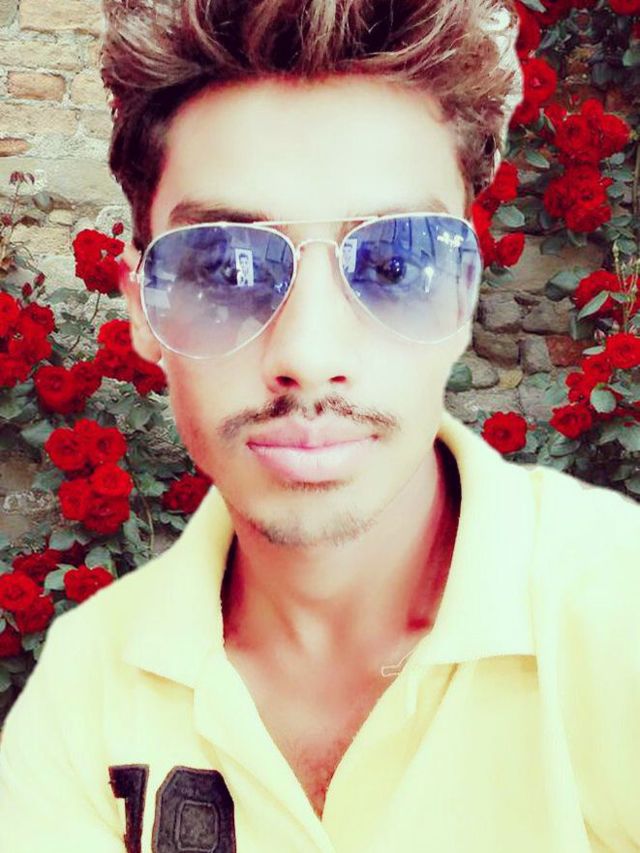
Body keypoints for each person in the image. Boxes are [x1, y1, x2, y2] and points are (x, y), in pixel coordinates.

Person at [1, 1, 639, 851]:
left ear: (464, 295)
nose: (307, 354)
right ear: (142, 310)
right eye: (222, 267)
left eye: (398, 260)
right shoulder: (83, 691)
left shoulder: (617, 614)